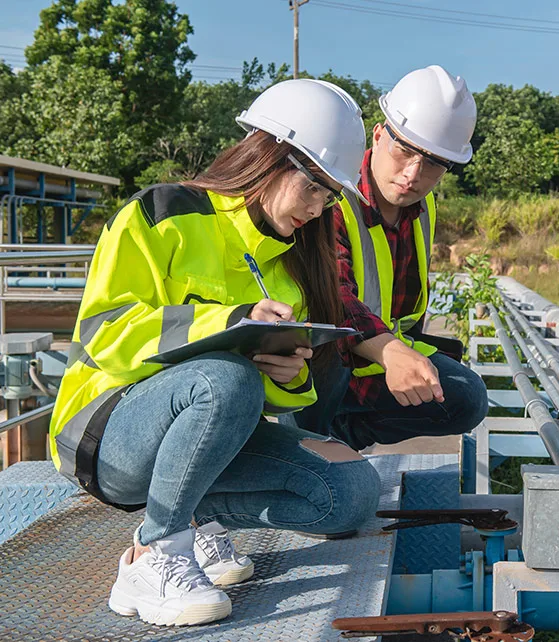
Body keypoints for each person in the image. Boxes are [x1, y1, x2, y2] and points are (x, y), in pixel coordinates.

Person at [48, 79, 381, 627]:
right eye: (316, 187)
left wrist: (291, 373)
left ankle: (195, 522)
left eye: (330, 196)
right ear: (272, 156)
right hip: (104, 434)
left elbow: (265, 399)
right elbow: (102, 334)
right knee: (225, 379)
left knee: (348, 493)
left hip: (210, 441)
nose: (319, 209)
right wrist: (225, 323)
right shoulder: (159, 212)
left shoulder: (289, 266)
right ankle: (156, 554)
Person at [282, 65, 488, 451]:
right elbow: (332, 295)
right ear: (379, 134)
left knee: (466, 398)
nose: (413, 174)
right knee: (322, 365)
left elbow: (408, 305)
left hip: (374, 357)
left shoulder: (423, 209)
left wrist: (405, 355)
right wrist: (392, 352)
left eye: (433, 164)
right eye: (404, 151)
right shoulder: (330, 197)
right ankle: (299, 443)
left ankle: (339, 441)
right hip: (325, 359)